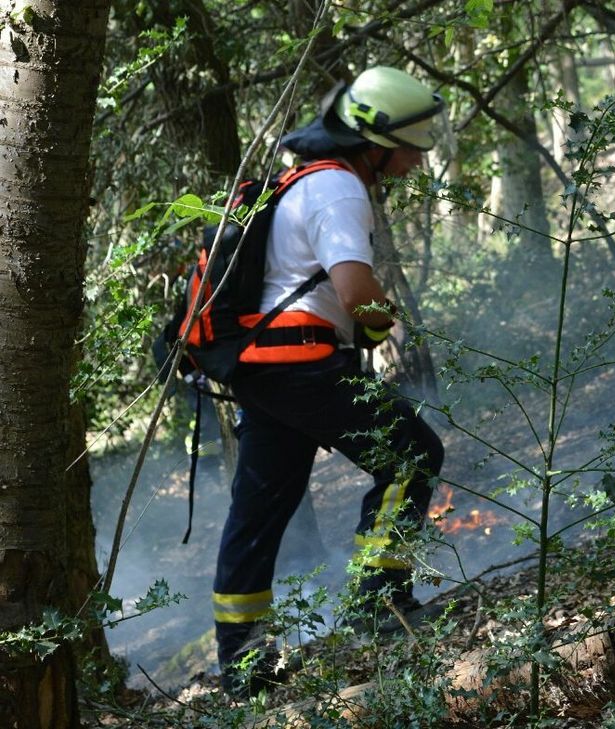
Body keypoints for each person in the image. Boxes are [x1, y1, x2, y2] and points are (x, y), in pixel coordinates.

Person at [212, 66, 446, 697]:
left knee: (259, 512)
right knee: (413, 452)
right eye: (412, 147)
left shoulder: (305, 181)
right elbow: (354, 289)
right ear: (375, 144)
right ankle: (380, 601)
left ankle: (241, 664)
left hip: (263, 373)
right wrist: (378, 326)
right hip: (301, 368)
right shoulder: (340, 190)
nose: (418, 160)